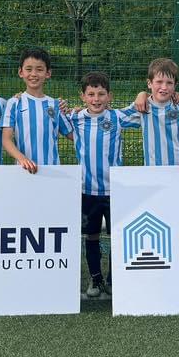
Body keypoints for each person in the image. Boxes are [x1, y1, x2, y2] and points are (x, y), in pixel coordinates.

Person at [65, 71, 141, 298]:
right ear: (82, 97)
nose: (96, 99)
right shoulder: (75, 118)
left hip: (114, 191)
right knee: (92, 236)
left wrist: (142, 93)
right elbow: (51, 116)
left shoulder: (117, 117)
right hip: (87, 191)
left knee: (118, 235)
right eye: (91, 94)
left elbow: (143, 108)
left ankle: (114, 279)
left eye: (101, 94)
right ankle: (95, 278)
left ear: (110, 96)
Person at [1, 47, 73, 172]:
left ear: (48, 73)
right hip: (23, 170)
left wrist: (85, 112)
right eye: (29, 69)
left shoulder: (55, 105)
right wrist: (22, 159)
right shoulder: (14, 103)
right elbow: (6, 139)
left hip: (53, 171)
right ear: (20, 72)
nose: (33, 74)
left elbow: (72, 135)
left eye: (39, 69)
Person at [130, 57, 179, 172]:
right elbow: (115, 117)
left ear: (175, 85)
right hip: (152, 171)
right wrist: (142, 94)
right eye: (159, 82)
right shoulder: (141, 106)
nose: (164, 87)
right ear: (149, 83)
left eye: (169, 83)